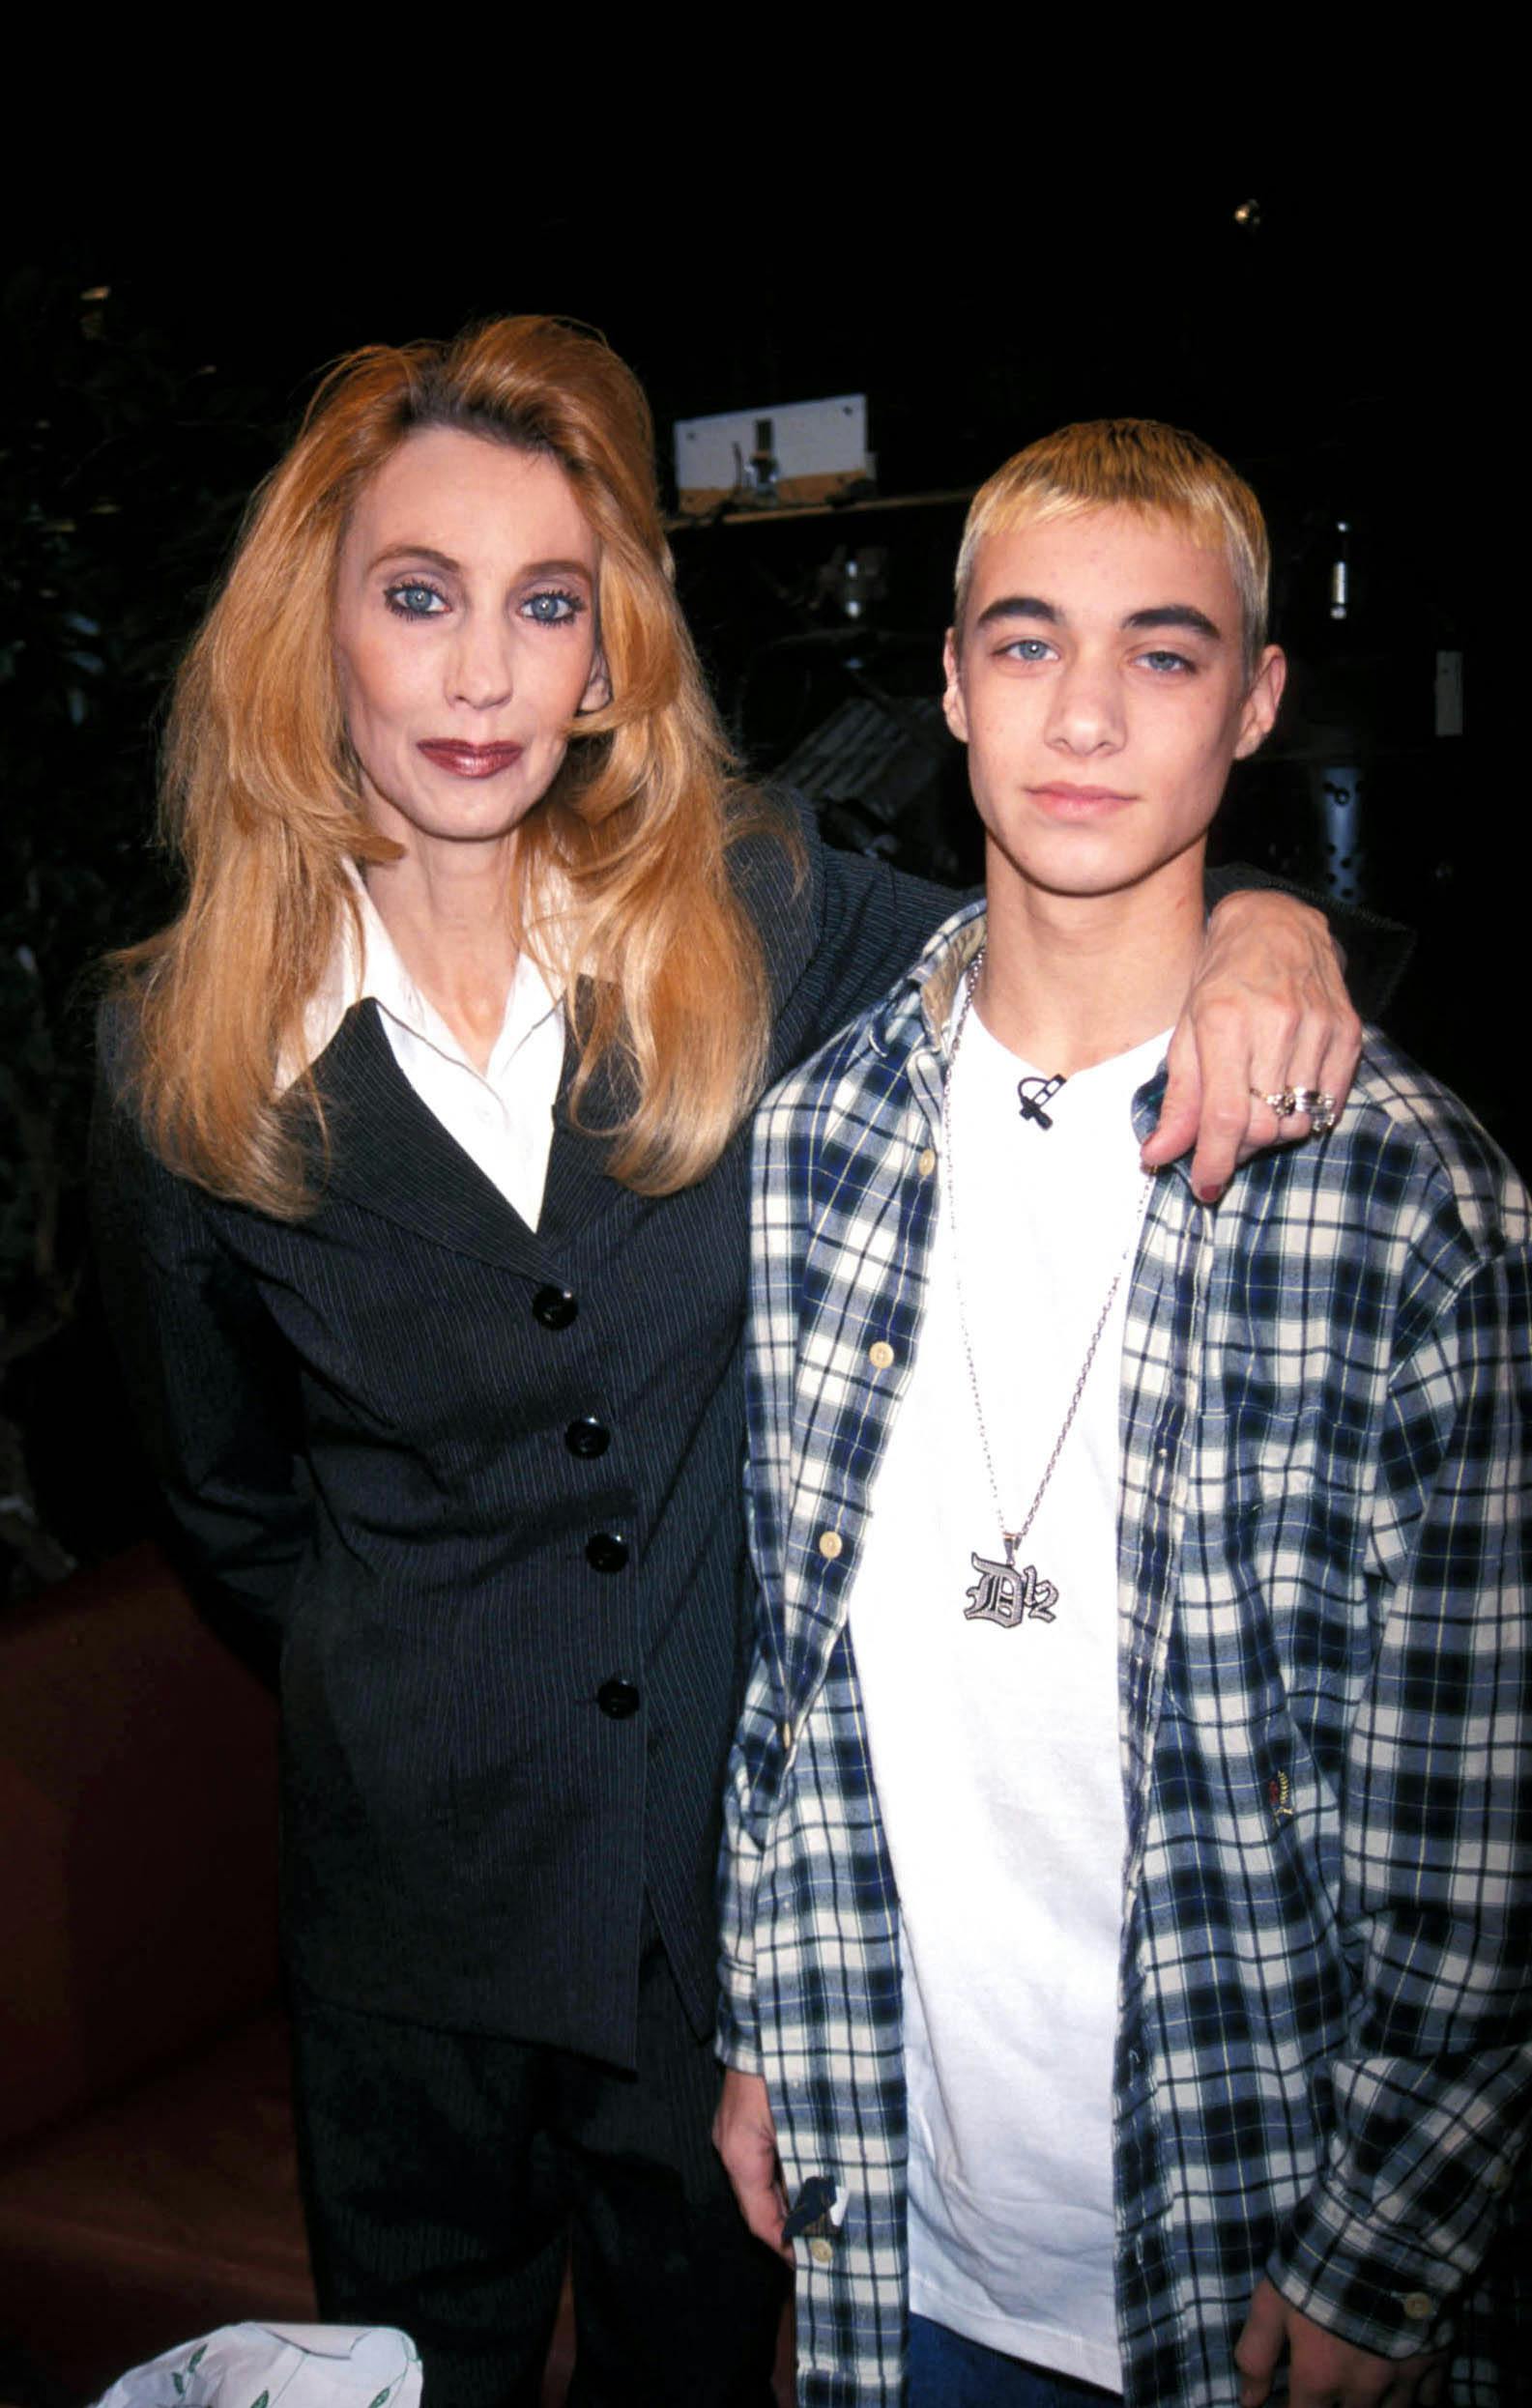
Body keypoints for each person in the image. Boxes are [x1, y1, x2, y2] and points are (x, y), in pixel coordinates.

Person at [90, 320, 1376, 2408]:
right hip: (409, 1934)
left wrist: (1265, 926)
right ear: (313, 633)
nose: (484, 674)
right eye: (419, 599)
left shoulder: (751, 912)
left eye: (545, 606)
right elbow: (224, 1501)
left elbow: (1050, 913)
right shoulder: (177, 1058)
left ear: (608, 658)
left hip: (726, 1949)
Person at [714, 419, 1528, 2408]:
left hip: (1250, 2238)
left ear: (1255, 700)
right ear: (945, 682)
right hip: (890, 2211)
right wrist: (763, 2022)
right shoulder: (818, 1141)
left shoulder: (1401, 1199)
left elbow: (1473, 1814)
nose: (1081, 715)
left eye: (1159, 656)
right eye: (1023, 644)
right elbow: (792, 1665)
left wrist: (1383, 2246)